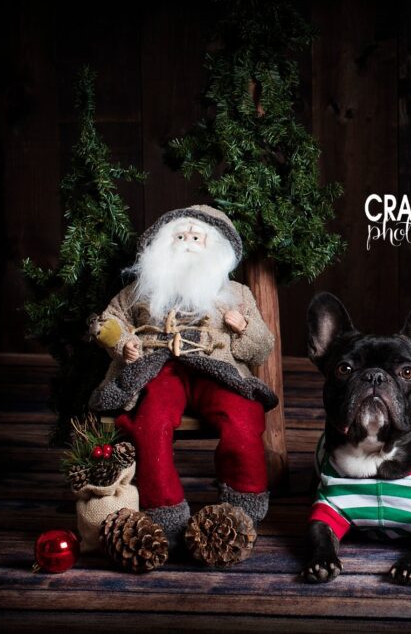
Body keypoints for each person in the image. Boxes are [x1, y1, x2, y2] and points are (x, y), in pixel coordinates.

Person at [89, 205, 277, 552]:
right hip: (159, 367)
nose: (187, 243)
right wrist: (124, 344)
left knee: (244, 417)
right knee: (148, 420)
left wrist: (244, 328)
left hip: (216, 368)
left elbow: (262, 348)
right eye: (179, 237)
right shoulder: (139, 290)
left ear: (215, 249)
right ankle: (163, 510)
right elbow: (107, 321)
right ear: (163, 244)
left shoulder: (237, 295)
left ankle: (243, 503)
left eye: (195, 238)